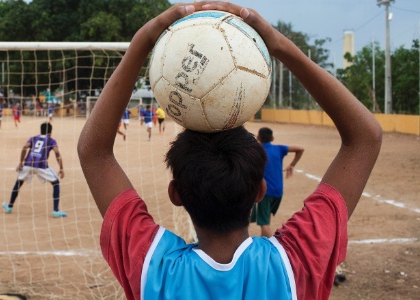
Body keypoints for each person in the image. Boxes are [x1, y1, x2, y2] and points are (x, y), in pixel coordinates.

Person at [77, 2, 382, 299]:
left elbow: (94, 152)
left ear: (176, 194)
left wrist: (142, 41)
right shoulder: (294, 264)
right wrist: (278, 47)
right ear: (260, 190)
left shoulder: (153, 268)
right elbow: (365, 137)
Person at [3, 122, 67, 218]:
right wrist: (61, 168)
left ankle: (9, 206)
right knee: (56, 183)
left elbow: (25, 147)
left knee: (19, 182)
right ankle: (56, 210)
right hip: (41, 166)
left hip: (28, 164)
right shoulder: (51, 140)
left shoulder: (33, 138)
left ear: (40, 130)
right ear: (50, 132)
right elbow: (57, 152)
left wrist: (21, 162)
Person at [250, 127, 304, 237]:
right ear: (272, 138)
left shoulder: (256, 150)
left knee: (264, 223)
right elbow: (300, 149)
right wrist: (292, 164)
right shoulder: (279, 149)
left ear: (258, 137)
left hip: (265, 192)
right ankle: (264, 240)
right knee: (266, 218)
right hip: (278, 191)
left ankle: (268, 249)